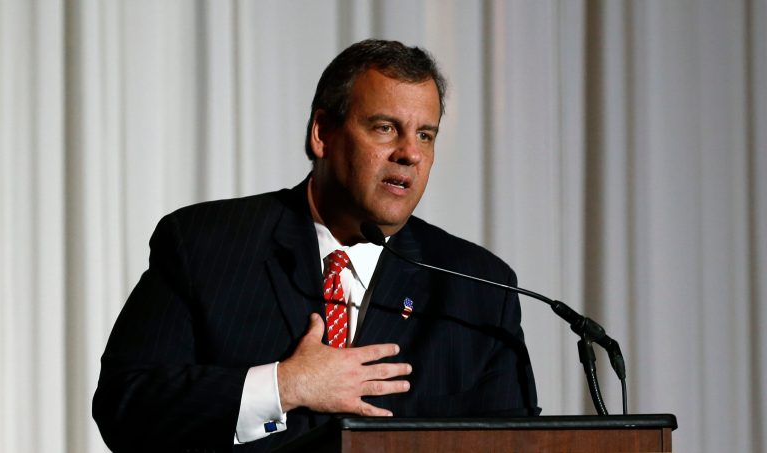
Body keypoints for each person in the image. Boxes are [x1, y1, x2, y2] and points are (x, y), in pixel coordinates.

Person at [93, 39, 539, 452]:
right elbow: (125, 406)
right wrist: (284, 386)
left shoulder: (478, 289)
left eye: (425, 134)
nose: (411, 153)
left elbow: (515, 444)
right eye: (386, 128)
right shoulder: (206, 244)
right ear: (322, 133)